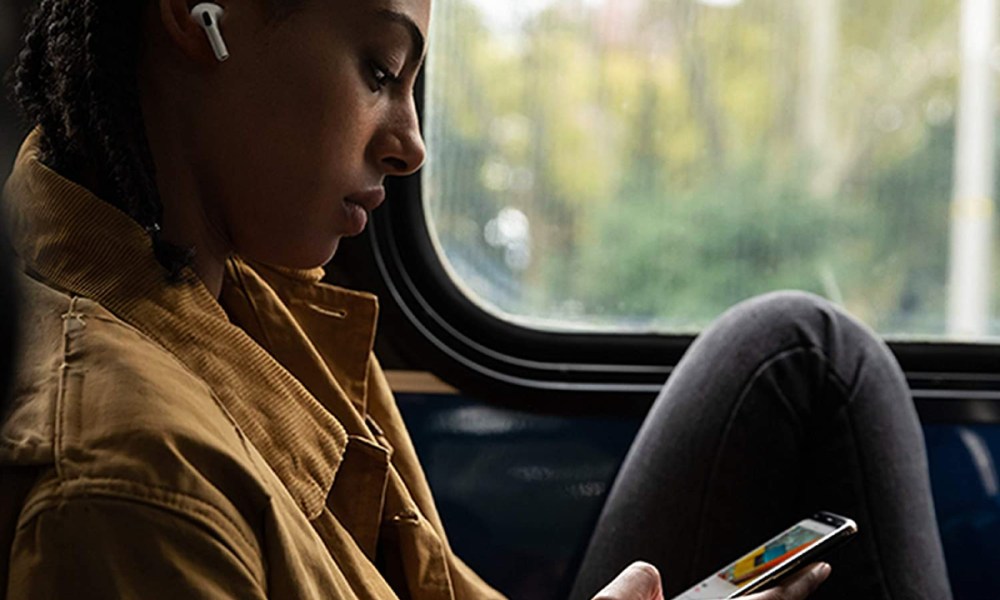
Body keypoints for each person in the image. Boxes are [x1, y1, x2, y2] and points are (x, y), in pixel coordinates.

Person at [0, 0, 951, 599]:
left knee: (797, 354)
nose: (410, 145)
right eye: (380, 70)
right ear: (196, 13)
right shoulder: (128, 489)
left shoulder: (250, 291)